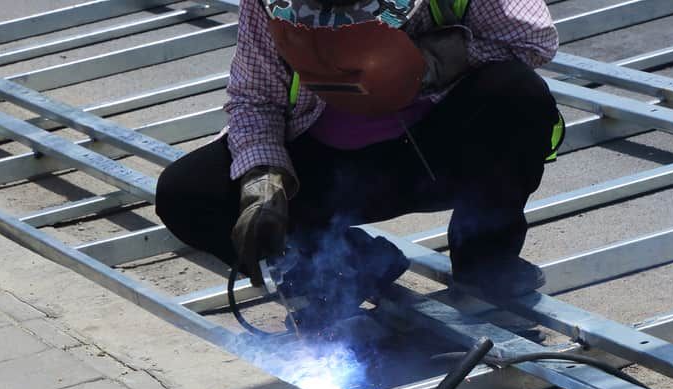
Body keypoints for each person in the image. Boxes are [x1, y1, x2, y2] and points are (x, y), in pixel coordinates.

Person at [156, 0, 561, 330]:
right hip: (329, 172)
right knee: (188, 194)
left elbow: (532, 39)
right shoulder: (270, 5)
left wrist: (433, 60)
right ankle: (341, 271)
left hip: (434, 160)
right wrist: (264, 179)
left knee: (517, 94)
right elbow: (255, 98)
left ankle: (486, 266)